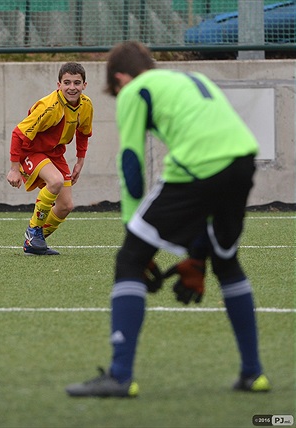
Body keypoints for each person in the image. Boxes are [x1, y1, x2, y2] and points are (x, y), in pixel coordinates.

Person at [65, 41, 271, 397]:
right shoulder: (187, 79)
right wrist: (197, 255)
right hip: (242, 160)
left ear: (120, 78)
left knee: (129, 260)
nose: (119, 98)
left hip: (198, 166)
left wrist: (134, 235)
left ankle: (119, 376)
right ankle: (254, 374)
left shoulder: (134, 89)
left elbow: (131, 162)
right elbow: (210, 185)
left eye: (115, 92)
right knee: (227, 263)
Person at [7, 62, 93, 255]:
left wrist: (80, 160)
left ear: (84, 85)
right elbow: (17, 133)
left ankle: (34, 242)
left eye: (77, 83)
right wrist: (13, 168)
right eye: (67, 82)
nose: (72, 87)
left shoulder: (86, 105)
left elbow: (83, 132)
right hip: (31, 152)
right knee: (55, 181)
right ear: (58, 84)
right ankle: (33, 231)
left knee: (65, 206)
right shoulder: (49, 106)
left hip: (55, 154)